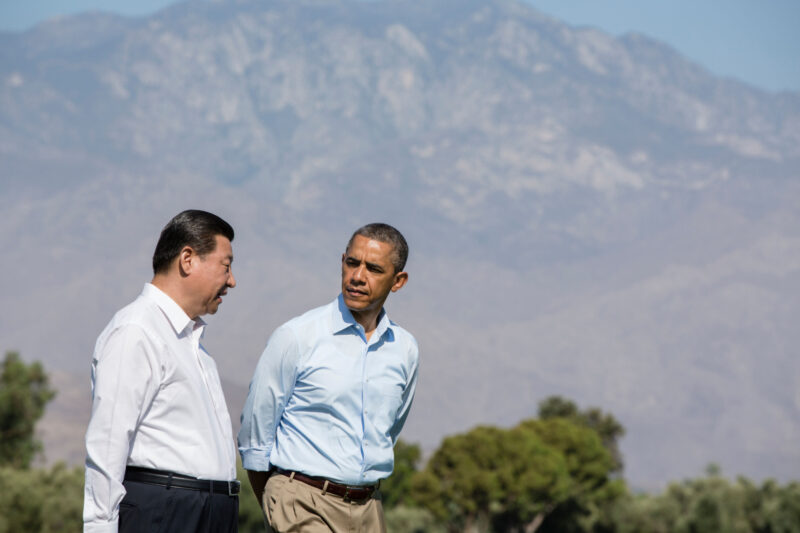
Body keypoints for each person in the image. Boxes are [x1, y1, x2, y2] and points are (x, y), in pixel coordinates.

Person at [238, 223, 419, 533]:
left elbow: (389, 432)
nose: (358, 276)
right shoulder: (296, 337)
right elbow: (256, 435)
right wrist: (278, 502)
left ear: (398, 281)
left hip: (370, 509)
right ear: (342, 261)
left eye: (373, 268)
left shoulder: (404, 349)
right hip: (302, 502)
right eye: (352, 263)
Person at [83, 210, 240, 533]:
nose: (232, 280)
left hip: (208, 513)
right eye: (226, 266)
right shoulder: (135, 331)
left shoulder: (193, 343)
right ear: (187, 259)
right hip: (165, 514)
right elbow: (107, 445)